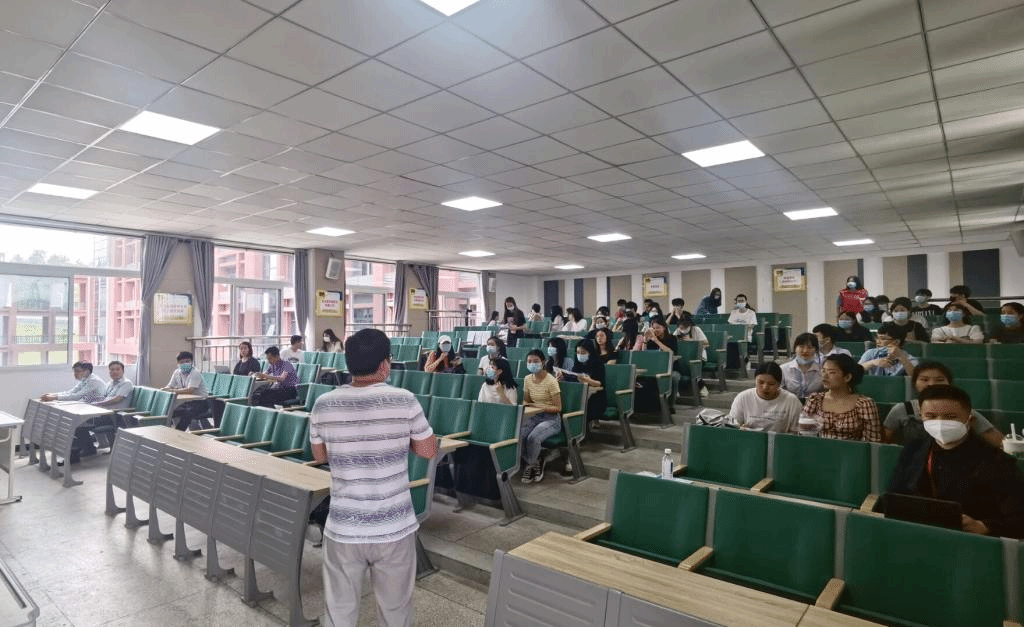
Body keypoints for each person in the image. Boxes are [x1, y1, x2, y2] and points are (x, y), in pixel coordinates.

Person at [309, 328, 437, 626]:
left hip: (344, 526)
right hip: (394, 525)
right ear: (384, 364)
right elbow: (428, 450)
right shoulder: (404, 400)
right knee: (395, 611)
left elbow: (320, 456)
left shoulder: (323, 403)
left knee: (339, 612)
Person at [886, 384, 1024, 539]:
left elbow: (1018, 520)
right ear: (921, 416)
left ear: (970, 419)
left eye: (950, 417)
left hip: (969, 542)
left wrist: (984, 527)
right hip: (917, 535)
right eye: (931, 416)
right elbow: (895, 496)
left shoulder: (997, 462)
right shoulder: (913, 450)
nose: (940, 423)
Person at [883, 361, 1003, 447]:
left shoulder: (962, 409)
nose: (931, 384)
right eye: (924, 379)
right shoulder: (902, 409)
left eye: (939, 380)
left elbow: (997, 440)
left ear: (949, 383)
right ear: (915, 383)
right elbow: (884, 441)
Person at [801, 354, 881, 441]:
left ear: (847, 377)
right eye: (823, 371)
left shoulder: (864, 404)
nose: (824, 376)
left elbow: (872, 440)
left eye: (832, 372)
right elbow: (803, 433)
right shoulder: (815, 399)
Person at [520, 350, 562, 483]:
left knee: (533, 438)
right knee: (518, 436)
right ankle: (536, 460)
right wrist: (528, 405)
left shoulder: (551, 381)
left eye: (536, 361)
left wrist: (539, 406)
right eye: (529, 361)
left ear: (543, 362)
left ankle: (530, 465)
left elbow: (558, 408)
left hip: (551, 419)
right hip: (534, 416)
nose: (532, 364)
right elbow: (527, 401)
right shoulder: (527, 379)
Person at [728, 362, 803, 432]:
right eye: (760, 382)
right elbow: (732, 426)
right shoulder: (743, 398)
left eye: (771, 384)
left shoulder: (792, 401)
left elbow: (798, 431)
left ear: (779, 384)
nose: (765, 387)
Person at [163, 351, 210, 431]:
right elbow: (170, 386)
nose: (184, 364)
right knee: (170, 411)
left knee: (187, 413)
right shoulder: (177, 372)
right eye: (182, 362)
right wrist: (164, 390)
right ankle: (169, 430)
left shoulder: (195, 373)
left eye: (187, 361)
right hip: (187, 402)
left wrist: (172, 390)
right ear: (178, 363)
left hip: (200, 402)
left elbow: (189, 390)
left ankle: (179, 432)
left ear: (192, 362)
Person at [566, 339, 606, 430]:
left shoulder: (598, 364)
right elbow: (572, 377)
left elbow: (599, 383)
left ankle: (580, 432)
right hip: (579, 395)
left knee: (579, 408)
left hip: (596, 399)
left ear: (590, 352)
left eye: (583, 352)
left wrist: (588, 380)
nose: (580, 355)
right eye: (578, 352)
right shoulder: (577, 364)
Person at [40, 361, 106, 403]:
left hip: (97, 408)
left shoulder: (94, 381)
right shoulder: (85, 379)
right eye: (74, 371)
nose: (75, 373)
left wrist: (54, 397)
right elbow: (71, 392)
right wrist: (53, 395)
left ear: (86, 371)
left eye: (77, 371)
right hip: (88, 404)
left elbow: (77, 396)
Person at [780, 333, 822, 399]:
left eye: (810, 347)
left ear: (816, 350)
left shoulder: (821, 370)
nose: (805, 351)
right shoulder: (783, 369)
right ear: (795, 348)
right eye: (801, 346)